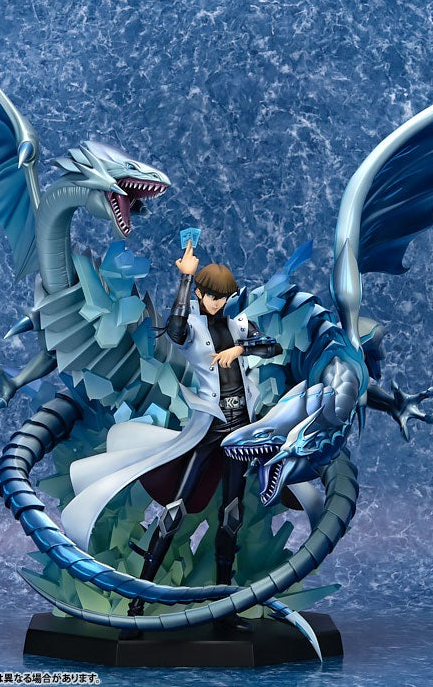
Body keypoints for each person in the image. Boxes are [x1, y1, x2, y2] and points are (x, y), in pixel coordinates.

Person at [121, 241, 282, 637]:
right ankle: (136, 605)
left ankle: (224, 609)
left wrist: (240, 349)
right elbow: (175, 330)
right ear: (200, 293)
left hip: (240, 429)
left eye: (222, 296)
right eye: (210, 295)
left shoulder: (238, 325)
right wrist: (185, 277)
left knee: (231, 516)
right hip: (209, 427)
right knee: (174, 512)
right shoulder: (193, 326)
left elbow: (272, 345)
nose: (216, 302)